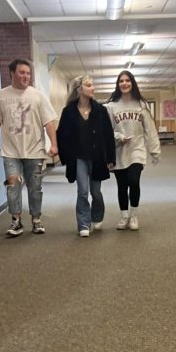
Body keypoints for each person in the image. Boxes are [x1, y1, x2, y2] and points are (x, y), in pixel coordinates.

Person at [0, 58, 58, 237]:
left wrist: (54, 144)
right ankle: (16, 220)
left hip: (34, 150)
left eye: (28, 73)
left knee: (35, 187)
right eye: (22, 72)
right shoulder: (1, 96)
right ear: (12, 73)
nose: (26, 76)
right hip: (11, 152)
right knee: (13, 186)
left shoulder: (38, 96)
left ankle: (36, 219)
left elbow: (49, 122)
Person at [56, 76, 116, 237]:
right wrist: (65, 157)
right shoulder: (68, 112)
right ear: (79, 89)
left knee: (95, 192)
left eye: (92, 85)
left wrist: (110, 158)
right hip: (78, 158)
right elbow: (61, 135)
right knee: (82, 190)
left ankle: (97, 216)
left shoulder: (101, 111)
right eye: (89, 85)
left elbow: (108, 135)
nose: (93, 88)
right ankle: (83, 223)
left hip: (97, 158)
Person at [105, 70, 160, 231]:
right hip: (119, 150)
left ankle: (134, 215)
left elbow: (150, 129)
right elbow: (107, 130)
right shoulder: (111, 107)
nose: (124, 83)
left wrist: (154, 150)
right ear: (118, 84)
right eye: (121, 81)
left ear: (132, 83)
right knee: (122, 186)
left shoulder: (141, 105)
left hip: (137, 149)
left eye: (127, 80)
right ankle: (124, 216)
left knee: (134, 181)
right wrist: (118, 136)